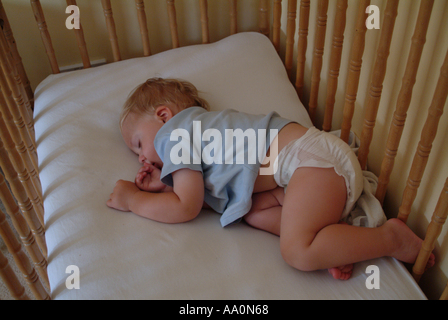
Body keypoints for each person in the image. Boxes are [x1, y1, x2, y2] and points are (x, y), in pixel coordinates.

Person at [107, 78, 435, 280]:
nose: (140, 157)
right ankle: (337, 243)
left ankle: (390, 239)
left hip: (312, 162)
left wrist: (134, 199)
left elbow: (186, 206)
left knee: (297, 252)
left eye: (138, 143)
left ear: (163, 116)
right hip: (305, 175)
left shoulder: (175, 133)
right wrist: (164, 183)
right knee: (250, 212)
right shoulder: (199, 139)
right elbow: (200, 192)